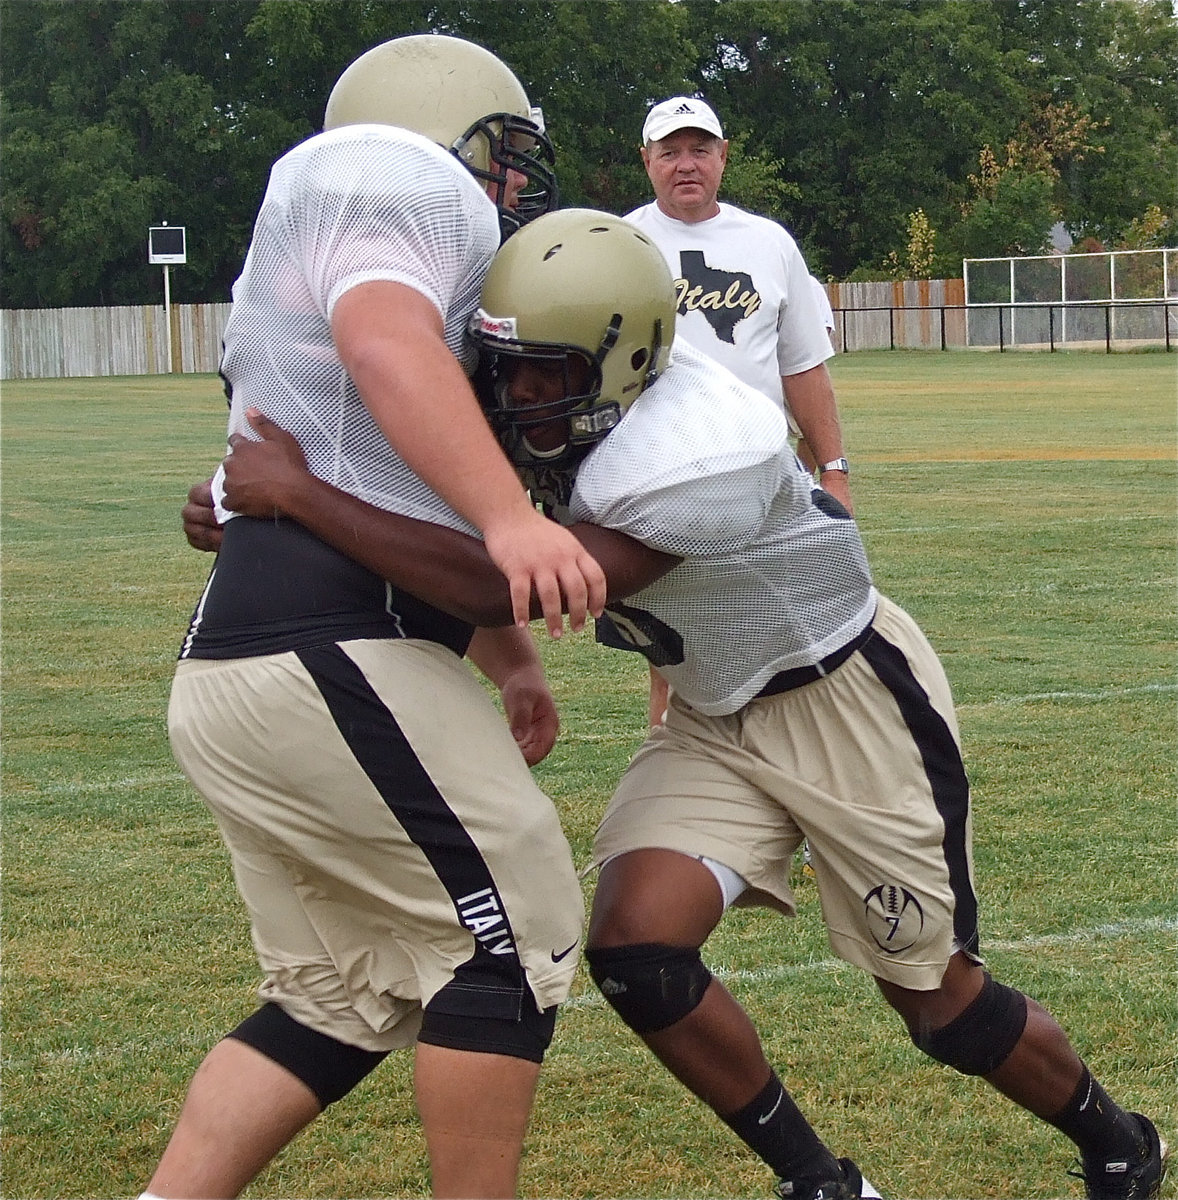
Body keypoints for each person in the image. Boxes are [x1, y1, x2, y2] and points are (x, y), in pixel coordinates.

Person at [204, 208, 1167, 1200]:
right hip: (714, 710)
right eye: (506, 367)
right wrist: (250, 514)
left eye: (547, 373)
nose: (519, 394)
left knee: (941, 1007)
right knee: (637, 950)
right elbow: (403, 481)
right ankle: (820, 1184)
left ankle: (1120, 1145)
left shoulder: (705, 448)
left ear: (627, 362)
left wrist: (303, 502)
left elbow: (507, 584)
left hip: (847, 699)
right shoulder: (544, 395)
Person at [146, 36, 606, 1200]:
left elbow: (360, 469)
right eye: (499, 154)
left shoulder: (316, 221)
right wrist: (509, 520)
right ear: (437, 129)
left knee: (336, 994)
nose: (509, 183)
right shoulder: (393, 175)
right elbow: (382, 344)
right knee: (516, 933)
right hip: (331, 649)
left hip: (244, 663)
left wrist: (511, 661)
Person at [620, 96, 852, 728]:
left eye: (700, 150)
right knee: (673, 650)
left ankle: (783, 762)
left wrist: (834, 472)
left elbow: (803, 367)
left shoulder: (768, 243)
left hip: (764, 474)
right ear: (646, 161)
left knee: (789, 634)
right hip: (662, 476)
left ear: (723, 157)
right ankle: (676, 761)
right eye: (670, 151)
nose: (686, 164)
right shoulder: (621, 244)